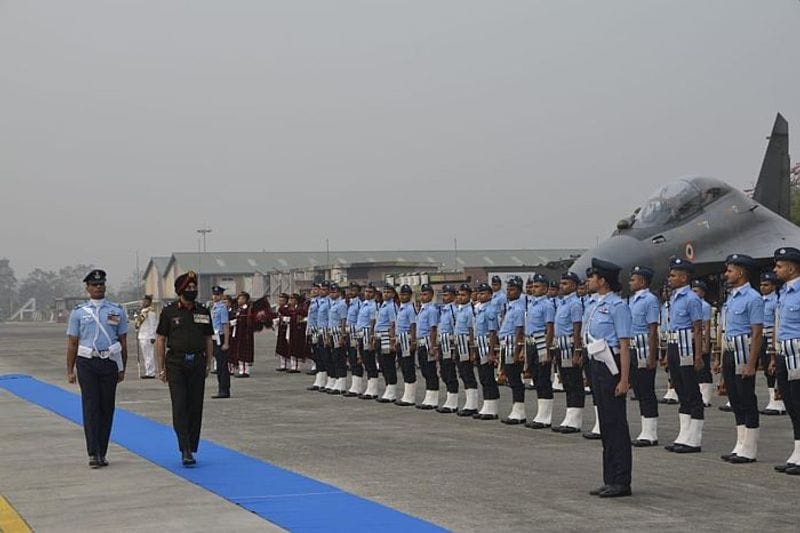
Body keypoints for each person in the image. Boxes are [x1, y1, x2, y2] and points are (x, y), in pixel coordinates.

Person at [66, 269, 128, 468]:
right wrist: (70, 369)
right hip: (87, 363)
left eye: (101, 284)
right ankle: (93, 453)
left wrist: (122, 368)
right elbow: (72, 343)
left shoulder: (116, 310)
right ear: (87, 288)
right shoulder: (78, 312)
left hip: (109, 362)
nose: (98, 287)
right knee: (91, 406)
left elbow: (123, 342)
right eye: (94, 285)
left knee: (107, 407)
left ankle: (103, 450)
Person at [584, 258, 633, 498]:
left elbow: (624, 345)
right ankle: (609, 478)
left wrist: (624, 379)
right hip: (597, 364)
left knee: (616, 424)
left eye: (593, 277)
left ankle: (622, 480)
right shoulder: (594, 304)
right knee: (605, 423)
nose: (589, 281)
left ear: (603, 280)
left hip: (612, 365)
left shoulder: (617, 306)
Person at [155, 271, 213, 466]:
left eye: (194, 287)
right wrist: (160, 366)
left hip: (197, 362)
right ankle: (185, 449)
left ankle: (192, 445)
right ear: (180, 290)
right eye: (188, 288)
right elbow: (161, 339)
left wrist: (208, 363)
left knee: (195, 406)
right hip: (176, 363)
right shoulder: (169, 312)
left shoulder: (203, 311)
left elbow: (208, 339)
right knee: (179, 405)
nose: (192, 290)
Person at [716, 254, 764, 464]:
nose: (726, 274)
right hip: (729, 350)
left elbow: (756, 333)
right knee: (735, 398)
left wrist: (752, 363)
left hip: (743, 351)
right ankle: (740, 443)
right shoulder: (732, 296)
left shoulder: (753, 298)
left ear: (741, 272)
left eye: (730, 271)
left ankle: (750, 447)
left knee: (746, 398)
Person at [663, 258, 705, 454]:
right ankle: (684, 434)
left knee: (691, 390)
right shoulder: (674, 297)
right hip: (673, 344)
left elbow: (698, 329)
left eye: (673, 275)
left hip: (687, 345)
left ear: (684, 277)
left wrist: (698, 357)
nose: (670, 278)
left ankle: (694, 437)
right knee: (679, 388)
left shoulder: (691, 298)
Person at [771, 247, 800, 474]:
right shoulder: (783, 293)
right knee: (790, 403)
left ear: (791, 268)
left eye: (779, 266)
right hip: (783, 353)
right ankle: (797, 452)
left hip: (798, 353)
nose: (775, 270)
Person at [627, 266, 661, 446]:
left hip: (643, 348)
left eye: (633, 279)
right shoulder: (632, 300)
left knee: (646, 390)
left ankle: (650, 432)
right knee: (639, 390)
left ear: (642, 281)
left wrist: (652, 355)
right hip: (632, 348)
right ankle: (644, 429)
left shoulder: (650, 300)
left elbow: (652, 329)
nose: (630, 283)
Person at [552, 272, 585, 433]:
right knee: (566, 381)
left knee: (574, 382)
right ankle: (569, 415)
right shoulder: (561, 303)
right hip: (561, 345)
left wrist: (577, 352)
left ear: (573, 285)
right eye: (561, 283)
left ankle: (575, 419)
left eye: (565, 283)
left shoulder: (575, 304)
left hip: (570, 346)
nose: (561, 286)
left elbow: (577, 328)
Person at [525, 274, 556, 429]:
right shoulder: (532, 304)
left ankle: (546, 416)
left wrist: (548, 349)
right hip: (531, 342)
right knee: (536, 378)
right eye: (532, 286)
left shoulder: (547, 305)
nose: (533, 289)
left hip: (541, 341)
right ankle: (540, 413)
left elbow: (550, 328)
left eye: (537, 286)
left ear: (544, 288)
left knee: (543, 379)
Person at [498, 276, 527, 424]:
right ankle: (516, 408)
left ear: (519, 291)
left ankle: (519, 410)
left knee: (515, 378)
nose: (509, 292)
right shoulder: (510, 306)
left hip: (512, 344)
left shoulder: (519, 308)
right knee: (510, 377)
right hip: (505, 343)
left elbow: (519, 331)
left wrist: (517, 351)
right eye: (508, 289)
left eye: (513, 289)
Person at [760, 271, 786, 415]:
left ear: (773, 286)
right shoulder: (760, 300)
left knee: (774, 368)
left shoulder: (776, 301)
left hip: (772, 334)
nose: (763, 287)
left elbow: (776, 323)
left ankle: (779, 401)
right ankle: (772, 400)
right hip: (761, 335)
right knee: (766, 369)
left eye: (766, 284)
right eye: (761, 284)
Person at [473, 283, 500, 420]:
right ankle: (487, 404)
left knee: (488, 376)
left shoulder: (490, 310)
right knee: (483, 377)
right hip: (479, 344)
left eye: (483, 293)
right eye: (479, 293)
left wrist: (491, 352)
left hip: (486, 345)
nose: (480, 295)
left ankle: (492, 407)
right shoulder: (478, 309)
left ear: (490, 295)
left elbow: (492, 332)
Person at [454, 283, 480, 416]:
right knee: (462, 373)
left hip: (466, 343)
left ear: (469, 296)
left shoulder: (470, 310)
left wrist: (472, 351)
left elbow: (471, 331)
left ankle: (472, 404)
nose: (460, 297)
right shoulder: (459, 309)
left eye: (463, 295)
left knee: (468, 373)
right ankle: (468, 402)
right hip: (459, 343)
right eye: (459, 294)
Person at [415, 284, 441, 410]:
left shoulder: (431, 310)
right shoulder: (422, 309)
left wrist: (432, 346)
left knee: (430, 371)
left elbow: (433, 329)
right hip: (420, 343)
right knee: (425, 370)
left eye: (425, 294)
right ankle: (429, 396)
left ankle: (433, 398)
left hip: (427, 342)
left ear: (431, 295)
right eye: (422, 294)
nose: (423, 296)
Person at [394, 284, 418, 406]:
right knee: (403, 366)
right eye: (401, 294)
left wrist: (413, 341)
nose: (403, 296)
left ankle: (410, 396)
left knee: (408, 367)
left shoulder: (410, 308)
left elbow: (413, 325)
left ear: (410, 295)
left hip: (407, 340)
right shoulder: (401, 307)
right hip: (400, 339)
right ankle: (406, 394)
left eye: (405, 294)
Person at [691, 280, 714, 407]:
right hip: (693, 339)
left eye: (696, 291)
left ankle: (706, 396)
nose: (694, 293)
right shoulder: (693, 304)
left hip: (703, 338)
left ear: (703, 293)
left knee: (704, 368)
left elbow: (706, 325)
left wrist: (706, 343)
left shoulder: (704, 306)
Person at [375, 284, 399, 403]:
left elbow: (393, 323)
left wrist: (392, 341)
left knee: (388, 364)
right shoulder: (382, 305)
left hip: (386, 337)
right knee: (382, 364)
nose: (386, 294)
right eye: (384, 292)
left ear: (393, 294)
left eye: (388, 292)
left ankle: (392, 391)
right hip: (380, 336)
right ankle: (388, 388)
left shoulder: (391, 306)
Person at [355, 283, 380, 399]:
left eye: (370, 292)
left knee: (370, 362)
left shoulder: (373, 306)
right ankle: (369, 388)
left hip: (367, 334)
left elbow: (373, 322)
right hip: (360, 334)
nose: (367, 294)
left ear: (374, 294)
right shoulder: (363, 304)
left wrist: (371, 340)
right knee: (365, 361)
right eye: (366, 291)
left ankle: (373, 389)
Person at [325, 283, 349, 394]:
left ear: (339, 293)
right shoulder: (333, 304)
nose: (332, 294)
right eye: (331, 292)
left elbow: (343, 320)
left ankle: (342, 383)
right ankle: (338, 381)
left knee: (340, 358)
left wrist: (342, 336)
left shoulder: (341, 304)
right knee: (335, 358)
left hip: (338, 334)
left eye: (334, 292)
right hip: (332, 333)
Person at [343, 282, 365, 397]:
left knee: (356, 359)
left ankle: (358, 386)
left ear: (358, 291)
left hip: (355, 333)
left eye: (354, 290)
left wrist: (357, 337)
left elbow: (359, 321)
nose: (351, 292)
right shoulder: (349, 303)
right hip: (348, 332)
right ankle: (354, 384)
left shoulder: (359, 304)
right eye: (350, 290)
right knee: (351, 359)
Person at [210, 285, 231, 398]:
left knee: (222, 365)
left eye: (218, 295)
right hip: (214, 337)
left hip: (221, 338)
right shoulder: (214, 307)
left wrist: (226, 342)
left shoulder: (222, 308)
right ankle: (221, 388)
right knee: (219, 365)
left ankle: (224, 389)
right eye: (214, 294)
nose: (215, 296)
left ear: (221, 296)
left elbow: (225, 325)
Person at [229, 291, 257, 377]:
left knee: (244, 352)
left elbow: (249, 321)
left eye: (241, 298)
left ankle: (245, 371)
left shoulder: (248, 309)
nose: (239, 300)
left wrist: (237, 321)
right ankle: (241, 370)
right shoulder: (239, 309)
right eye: (238, 298)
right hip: (238, 333)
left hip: (245, 335)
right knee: (239, 351)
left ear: (245, 299)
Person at [134, 295, 157, 378]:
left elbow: (153, 325)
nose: (144, 302)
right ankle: (148, 371)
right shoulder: (143, 311)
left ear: (149, 303)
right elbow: (138, 323)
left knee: (149, 355)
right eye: (143, 301)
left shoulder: (150, 312)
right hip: (142, 336)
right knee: (145, 356)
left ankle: (151, 373)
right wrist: (136, 317)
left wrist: (152, 336)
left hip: (148, 337)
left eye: (146, 301)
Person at [275, 293, 291, 371]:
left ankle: (288, 364)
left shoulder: (288, 309)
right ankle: (282, 364)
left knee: (286, 346)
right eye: (279, 300)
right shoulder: (279, 308)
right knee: (280, 346)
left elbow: (290, 318)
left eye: (282, 300)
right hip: (280, 328)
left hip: (286, 328)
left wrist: (283, 318)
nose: (280, 302)